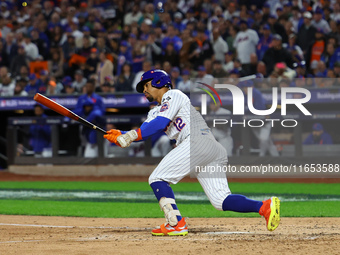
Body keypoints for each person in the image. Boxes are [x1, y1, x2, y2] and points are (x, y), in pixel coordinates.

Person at [103, 69, 280, 236]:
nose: (144, 90)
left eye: (146, 86)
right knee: (220, 200)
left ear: (158, 81)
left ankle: (176, 224)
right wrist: (120, 135)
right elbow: (145, 131)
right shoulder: (155, 111)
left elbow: (159, 124)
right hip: (209, 148)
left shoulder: (174, 95)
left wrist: (130, 136)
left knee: (157, 178)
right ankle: (264, 207)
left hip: (196, 142)